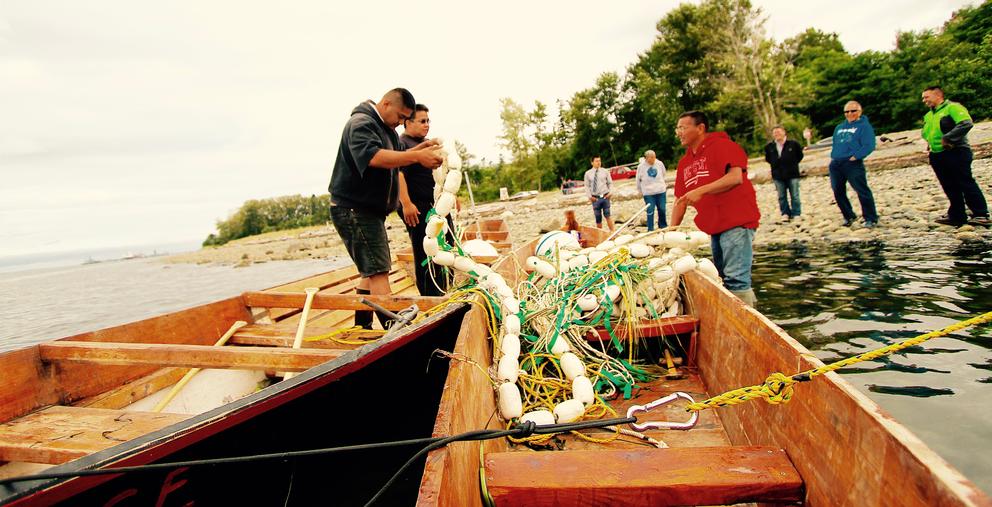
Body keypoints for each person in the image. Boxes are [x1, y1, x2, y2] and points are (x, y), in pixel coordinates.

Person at [328, 88, 443, 329]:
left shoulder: (386, 130)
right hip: (354, 209)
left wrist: (421, 149)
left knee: (370, 269)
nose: (401, 123)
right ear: (386, 103)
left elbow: (398, 155)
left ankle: (361, 325)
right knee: (379, 270)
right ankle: (395, 329)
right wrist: (416, 158)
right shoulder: (361, 124)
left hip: (367, 211)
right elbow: (374, 157)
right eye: (401, 117)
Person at [671, 111, 760, 306]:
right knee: (722, 278)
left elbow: (735, 177)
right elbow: (680, 200)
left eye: (682, 128)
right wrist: (669, 234)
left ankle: (746, 327)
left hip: (737, 222)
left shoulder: (724, 146)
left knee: (736, 280)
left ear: (700, 128)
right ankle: (743, 318)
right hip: (715, 227)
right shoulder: (685, 163)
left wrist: (702, 190)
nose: (678, 132)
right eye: (677, 128)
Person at [395, 104, 453, 296]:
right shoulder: (401, 144)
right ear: (407, 122)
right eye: (422, 121)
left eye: (428, 120)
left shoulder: (427, 143)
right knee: (425, 252)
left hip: (437, 205)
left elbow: (441, 172)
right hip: (416, 206)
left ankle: (448, 288)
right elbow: (397, 174)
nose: (426, 125)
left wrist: (451, 196)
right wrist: (406, 203)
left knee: (448, 245)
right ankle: (430, 296)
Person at [921, 86, 990, 227]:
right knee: (949, 185)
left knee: (965, 182)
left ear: (937, 95)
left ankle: (981, 214)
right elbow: (928, 132)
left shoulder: (952, 108)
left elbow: (966, 123)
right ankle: (957, 214)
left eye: (926, 97)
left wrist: (948, 138)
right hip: (937, 154)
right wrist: (929, 144)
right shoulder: (929, 115)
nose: (924, 100)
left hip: (956, 151)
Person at [829, 101, 879, 228]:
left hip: (853, 163)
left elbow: (869, 145)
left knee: (861, 190)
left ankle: (870, 218)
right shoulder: (839, 127)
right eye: (847, 111)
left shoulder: (864, 126)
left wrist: (856, 156)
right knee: (837, 190)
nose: (850, 114)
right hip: (836, 163)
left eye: (853, 111)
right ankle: (849, 216)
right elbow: (836, 143)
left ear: (859, 112)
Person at [763, 126, 804, 221]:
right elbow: (768, 159)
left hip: (792, 173)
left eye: (779, 132)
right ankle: (785, 213)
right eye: (775, 133)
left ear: (784, 132)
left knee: (795, 195)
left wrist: (791, 163)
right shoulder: (770, 147)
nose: (777, 134)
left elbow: (800, 156)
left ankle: (796, 213)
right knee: (781, 196)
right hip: (778, 175)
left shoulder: (793, 144)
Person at [636, 150, 668, 231]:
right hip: (648, 193)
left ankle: (663, 226)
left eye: (654, 157)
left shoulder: (659, 163)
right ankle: (650, 228)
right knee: (650, 210)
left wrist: (662, 184)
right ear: (646, 158)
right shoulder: (641, 167)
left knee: (662, 209)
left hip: (660, 191)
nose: (653, 160)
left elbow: (663, 173)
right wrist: (640, 190)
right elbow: (638, 180)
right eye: (651, 158)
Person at [583, 156, 615, 232]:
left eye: (599, 161)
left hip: (605, 196)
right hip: (595, 198)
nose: (598, 162)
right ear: (592, 163)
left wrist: (610, 193)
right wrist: (590, 197)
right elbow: (587, 186)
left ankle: (613, 232)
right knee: (598, 217)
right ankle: (600, 234)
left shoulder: (605, 171)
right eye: (596, 161)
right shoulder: (588, 173)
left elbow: (610, 183)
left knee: (608, 215)